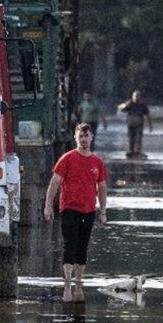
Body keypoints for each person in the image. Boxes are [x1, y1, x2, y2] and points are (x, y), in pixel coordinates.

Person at [44, 123, 108, 302]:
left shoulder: (97, 162)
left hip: (89, 209)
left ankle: (78, 282)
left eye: (86, 136)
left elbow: (102, 187)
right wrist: (48, 205)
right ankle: (67, 284)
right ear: (76, 138)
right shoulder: (67, 158)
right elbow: (54, 182)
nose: (84, 140)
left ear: (91, 137)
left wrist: (103, 211)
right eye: (81, 136)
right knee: (70, 243)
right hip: (69, 208)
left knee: (83, 245)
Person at [118, 90, 152, 158]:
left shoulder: (143, 105)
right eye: (135, 96)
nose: (136, 97)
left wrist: (150, 125)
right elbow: (120, 108)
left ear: (140, 97)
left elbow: (147, 115)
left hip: (139, 125)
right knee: (131, 138)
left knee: (138, 139)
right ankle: (131, 151)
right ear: (132, 96)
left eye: (137, 96)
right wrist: (124, 105)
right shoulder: (130, 104)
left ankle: (138, 152)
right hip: (130, 125)